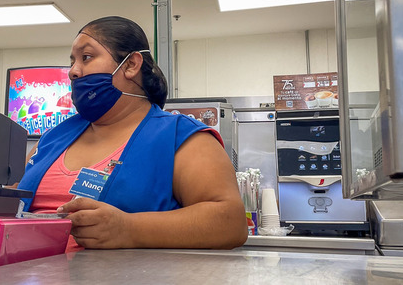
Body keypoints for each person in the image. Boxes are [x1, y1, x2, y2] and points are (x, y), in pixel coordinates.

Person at [17, 16, 248, 250]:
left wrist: (129, 228)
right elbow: (9, 198)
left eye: (86, 57)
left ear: (131, 65)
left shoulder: (180, 136)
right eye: (73, 61)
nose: (73, 71)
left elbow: (230, 222)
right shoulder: (53, 138)